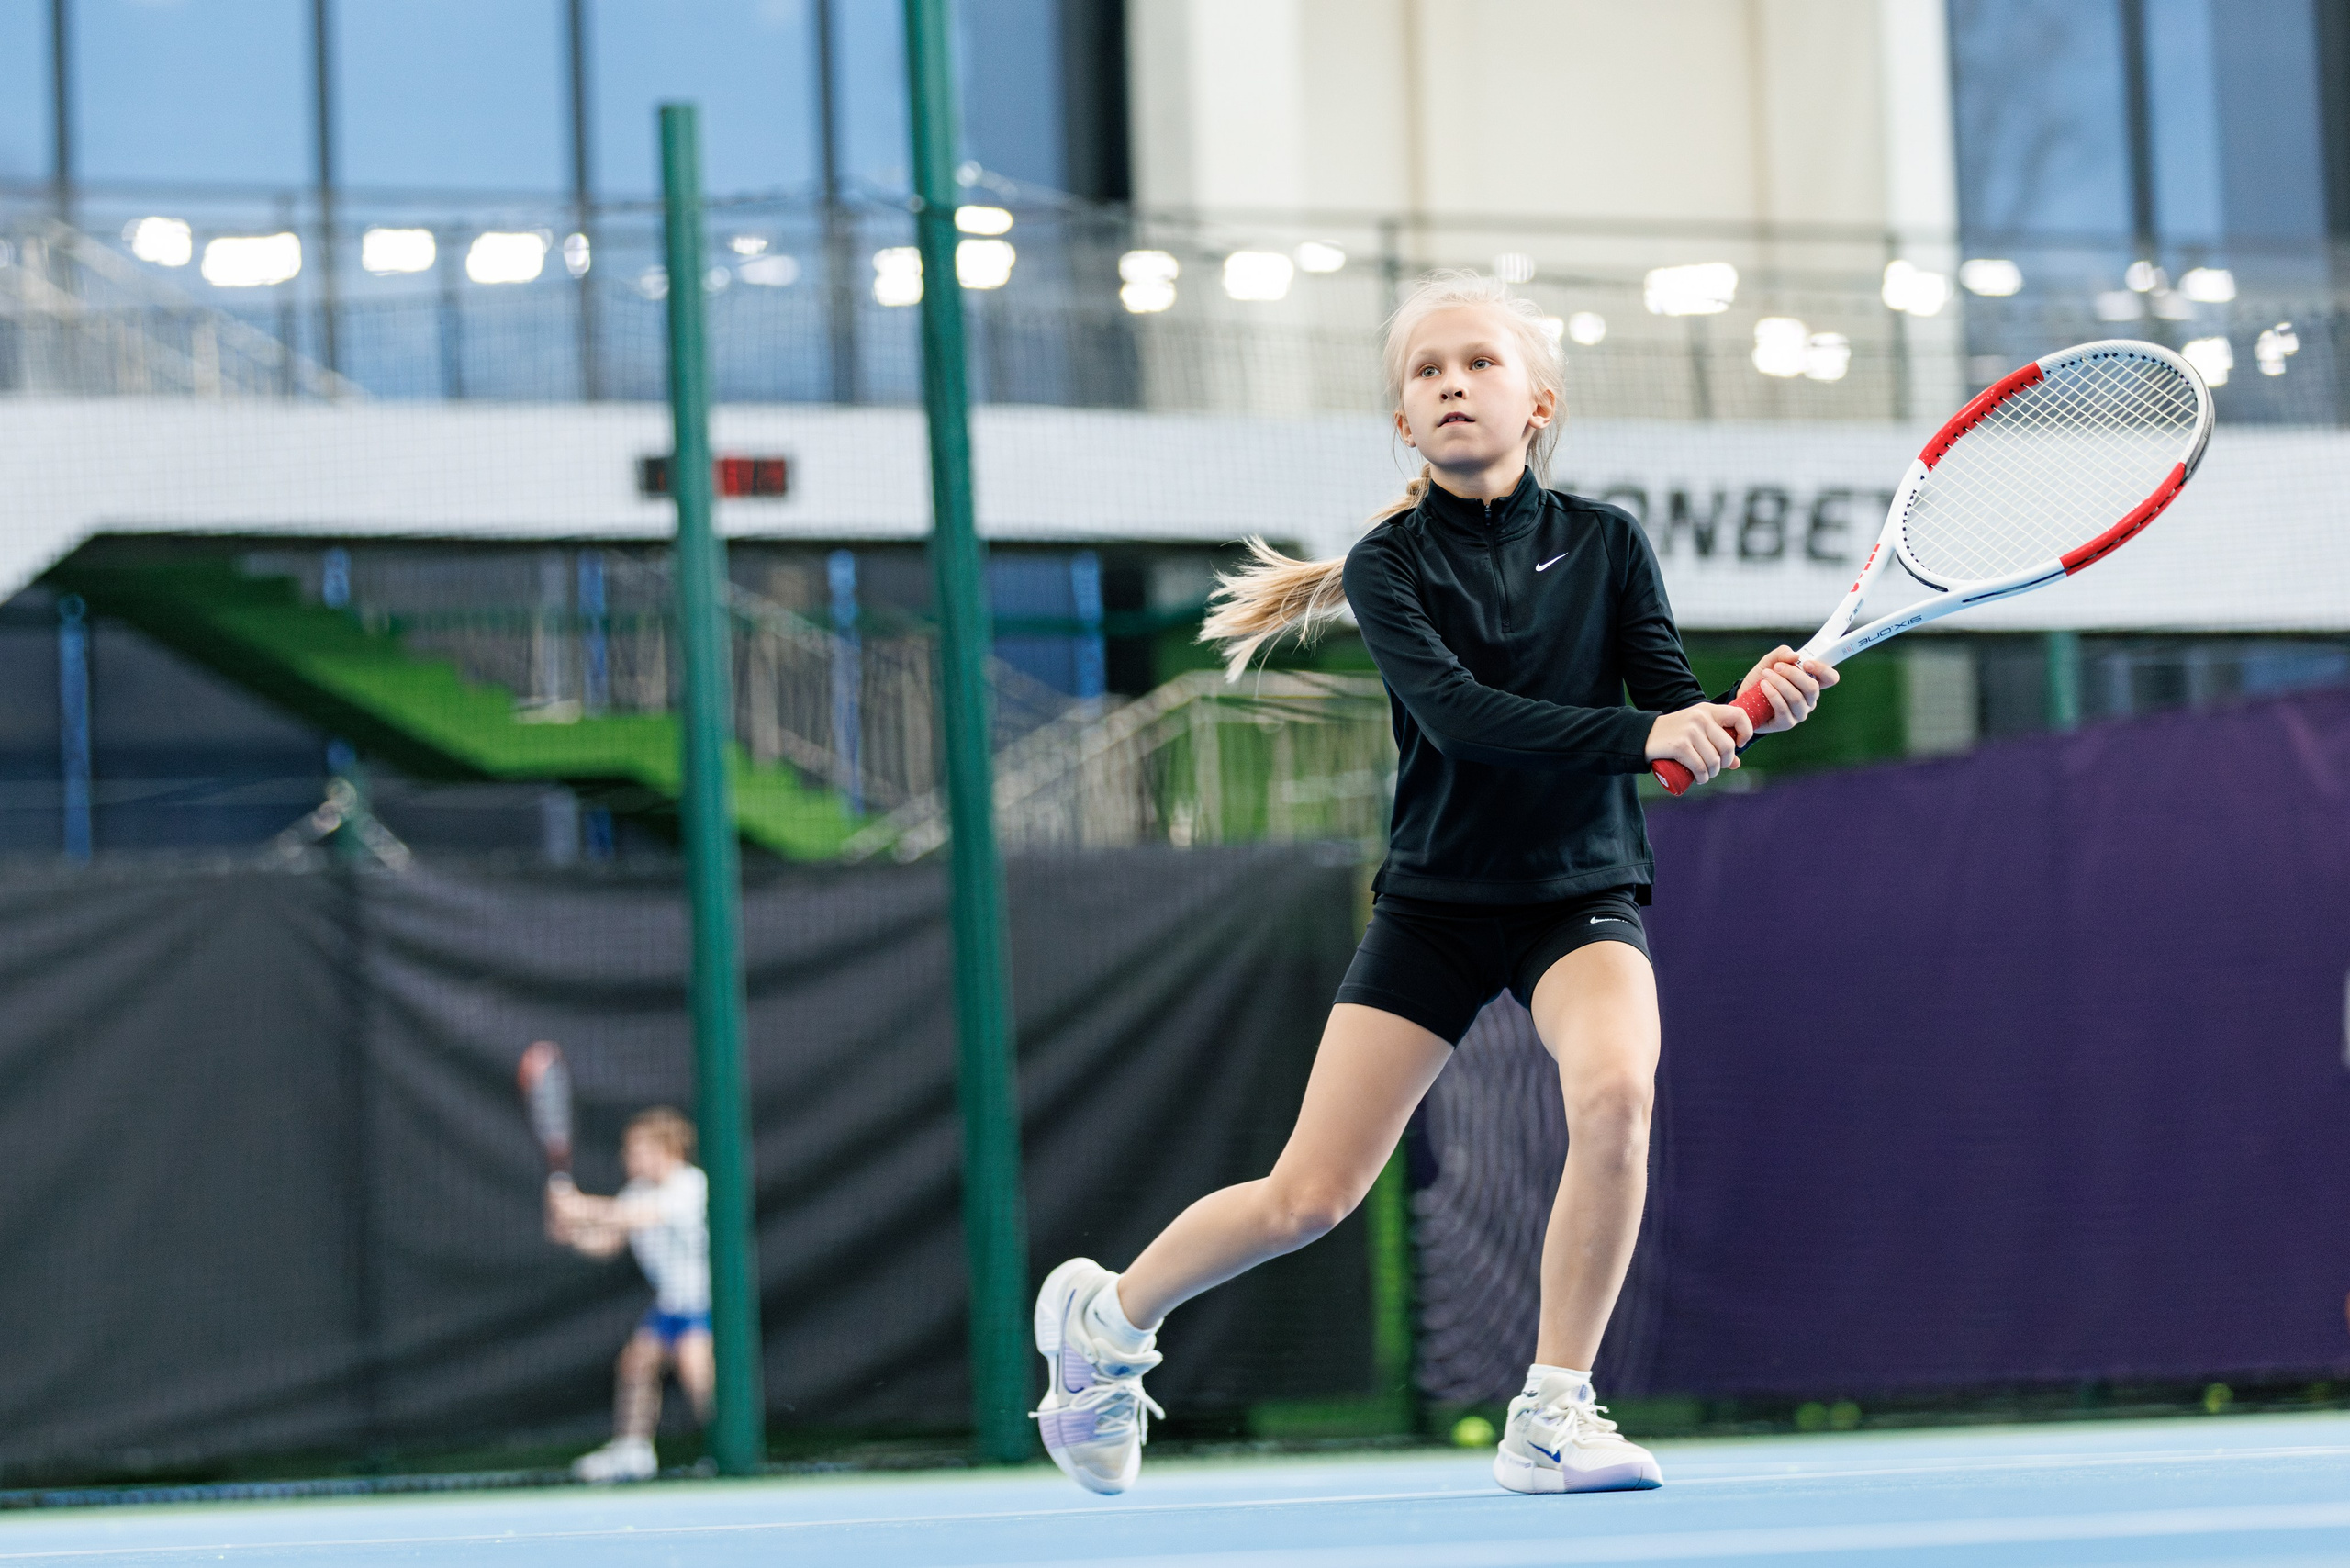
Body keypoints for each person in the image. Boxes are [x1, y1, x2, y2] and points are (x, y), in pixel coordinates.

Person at [1030, 271, 1836, 1498]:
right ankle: (1105, 1327)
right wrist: (1648, 739)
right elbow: (1465, 722)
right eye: (1427, 371)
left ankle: (1554, 1413)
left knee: (1617, 1094)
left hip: (1581, 894)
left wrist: (1744, 710)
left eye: (1480, 363)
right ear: (1405, 421)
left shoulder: (1609, 543)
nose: (1454, 383)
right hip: (1438, 909)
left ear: (1537, 401)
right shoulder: (1387, 566)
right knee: (1310, 1196)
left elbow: (1671, 713)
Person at [546, 1105, 712, 1483]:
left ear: (665, 1150)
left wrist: (579, 1206)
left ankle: (729, 1449)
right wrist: (571, 1231)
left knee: (697, 1372)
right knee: (636, 1364)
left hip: (706, 1302)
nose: (628, 1157)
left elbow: (638, 1216)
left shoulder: (690, 1185)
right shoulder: (635, 1191)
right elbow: (607, 1241)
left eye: (636, 1149)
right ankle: (634, 1452)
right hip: (671, 1303)